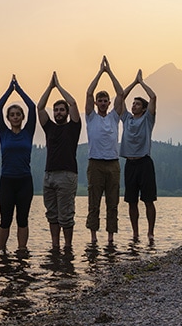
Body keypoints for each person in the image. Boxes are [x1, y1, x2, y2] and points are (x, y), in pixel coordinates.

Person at [37, 71, 81, 250]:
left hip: (67, 175)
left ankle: (68, 246)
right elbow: (39, 108)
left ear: (67, 112)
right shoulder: (49, 127)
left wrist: (59, 87)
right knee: (52, 214)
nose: (58, 112)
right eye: (56, 110)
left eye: (61, 110)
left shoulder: (73, 127)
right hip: (49, 176)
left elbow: (73, 103)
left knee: (66, 215)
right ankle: (55, 246)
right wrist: (50, 87)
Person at [85, 56, 124, 245]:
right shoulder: (91, 117)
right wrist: (100, 72)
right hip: (95, 163)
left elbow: (121, 93)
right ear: (96, 103)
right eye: (99, 100)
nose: (101, 102)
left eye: (104, 100)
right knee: (94, 202)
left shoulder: (114, 117)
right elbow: (88, 93)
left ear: (109, 103)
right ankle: (93, 238)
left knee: (113, 202)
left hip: (113, 164)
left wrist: (110, 72)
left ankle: (110, 238)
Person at [0, 74, 36, 252]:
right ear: (8, 118)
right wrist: (9, 90)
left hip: (25, 181)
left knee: (23, 219)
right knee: (5, 219)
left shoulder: (28, 132)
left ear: (23, 117)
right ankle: (1, 252)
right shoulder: (3, 132)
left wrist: (19, 90)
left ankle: (21, 250)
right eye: (12, 115)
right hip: (7, 181)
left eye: (18, 114)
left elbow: (32, 107)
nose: (15, 117)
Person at [120, 69, 157, 243]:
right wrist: (133, 83)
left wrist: (141, 83)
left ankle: (150, 232)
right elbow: (120, 99)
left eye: (136, 104)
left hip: (144, 163)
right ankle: (135, 233)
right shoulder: (127, 118)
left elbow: (153, 97)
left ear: (143, 108)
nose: (133, 106)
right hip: (130, 163)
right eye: (133, 103)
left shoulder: (148, 119)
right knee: (131, 201)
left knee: (148, 200)